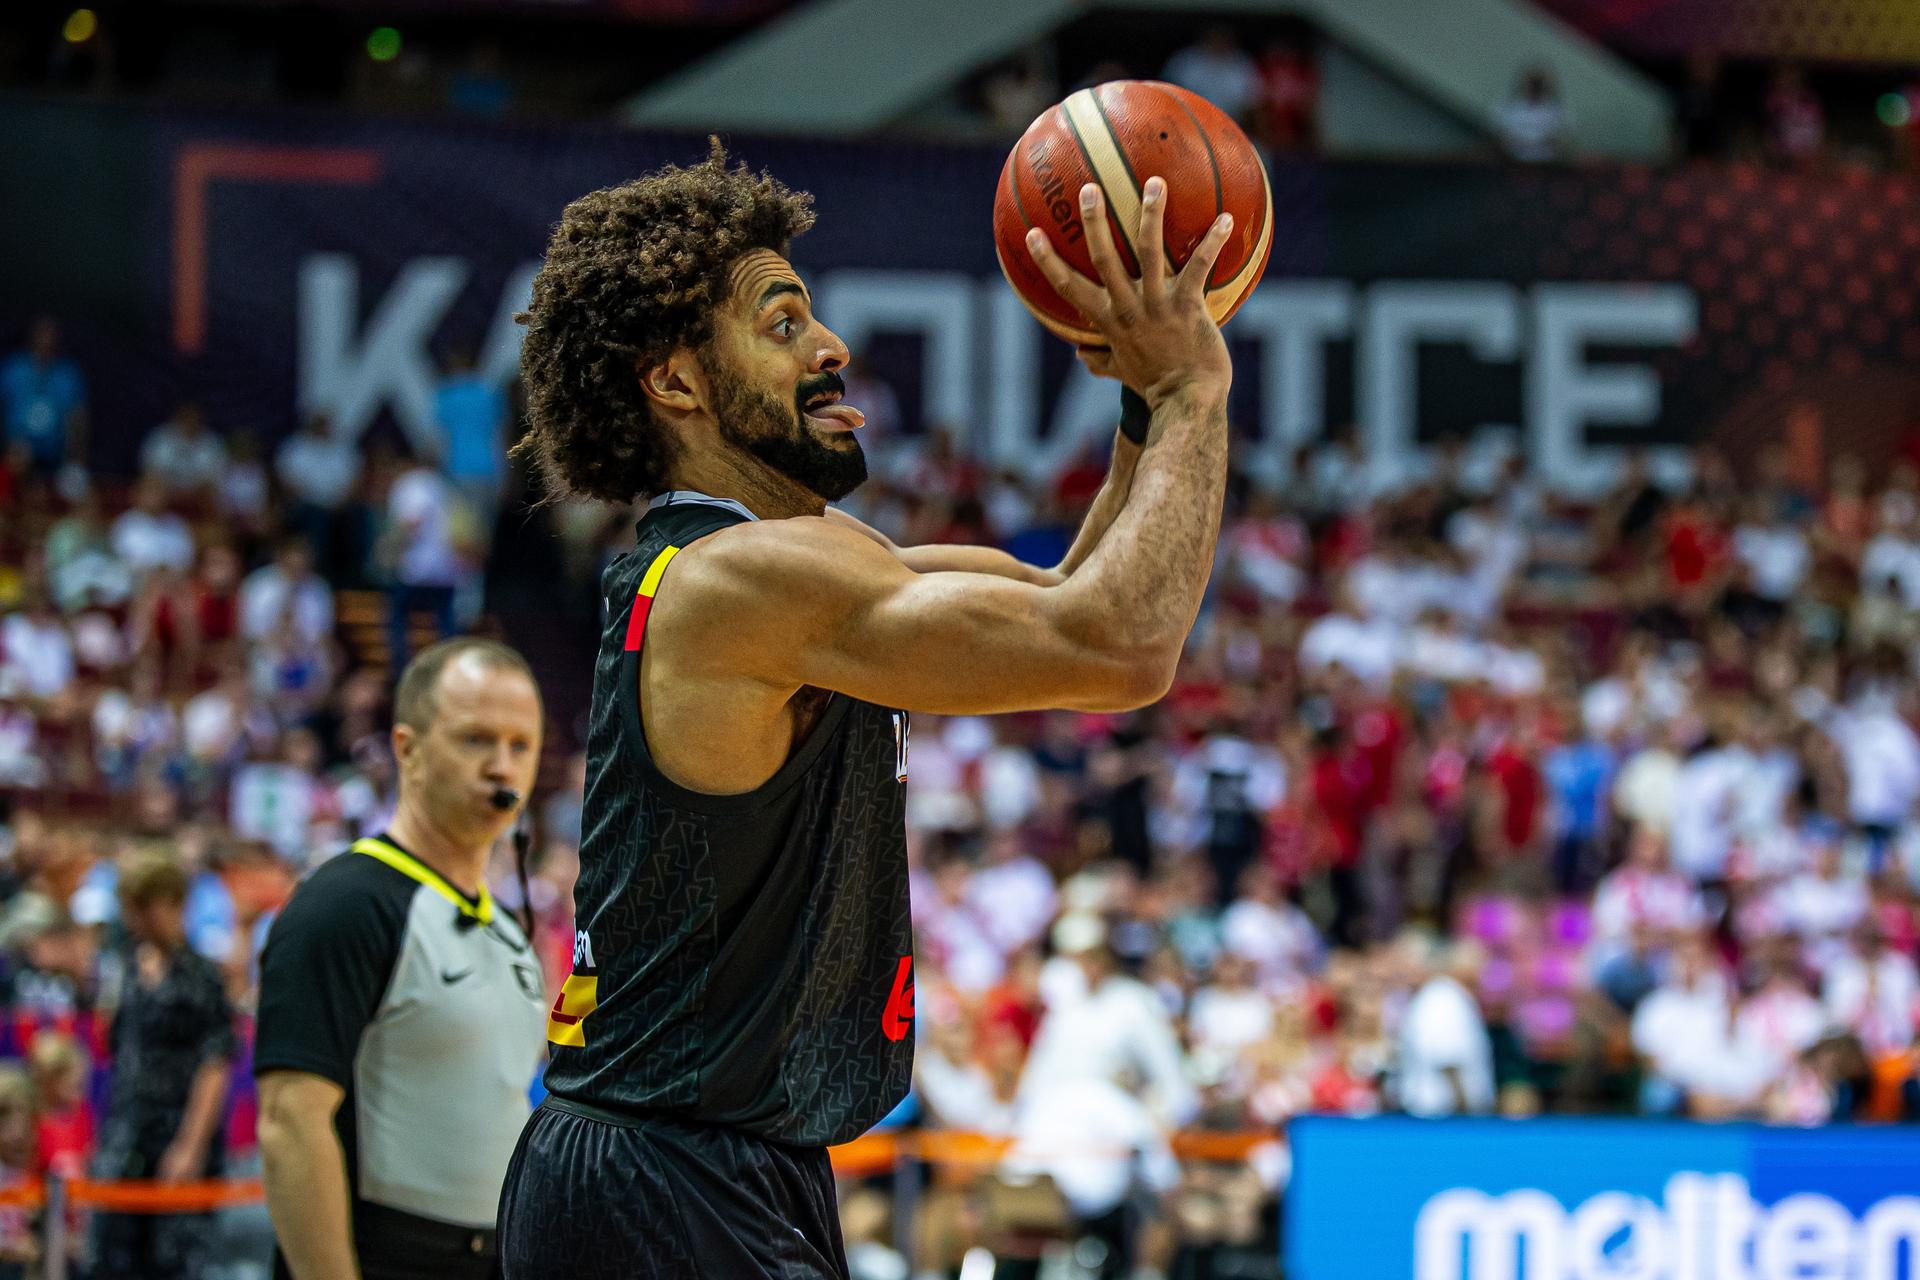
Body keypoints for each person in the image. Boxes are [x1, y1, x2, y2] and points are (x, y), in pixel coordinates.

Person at [496, 142, 1238, 1279]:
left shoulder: (796, 561)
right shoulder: (737, 583)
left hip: (706, 1161)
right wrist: (1192, 390)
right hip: (660, 1171)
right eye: (782, 323)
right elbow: (1123, 644)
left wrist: (1142, 401)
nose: (833, 346)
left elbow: (1068, 596)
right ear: (678, 383)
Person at [256, 638, 548, 1280]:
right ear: (407, 749)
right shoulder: (343, 903)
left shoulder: (509, 929)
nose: (502, 767)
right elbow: (289, 1121)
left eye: (520, 745)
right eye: (476, 740)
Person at [91, 854, 239, 1280]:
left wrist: (190, 1145)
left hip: (177, 1133)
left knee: (175, 1258)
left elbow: (215, 1063)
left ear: (174, 904)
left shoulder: (203, 976)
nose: (136, 920)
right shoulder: (124, 967)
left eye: (146, 907)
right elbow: (114, 1045)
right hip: (125, 1134)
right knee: (112, 1257)